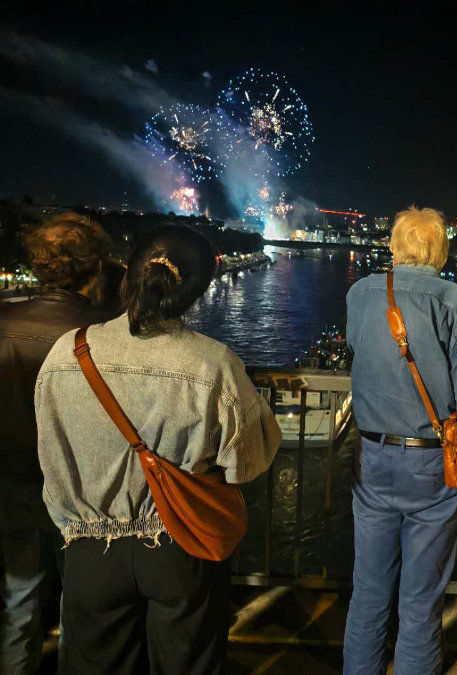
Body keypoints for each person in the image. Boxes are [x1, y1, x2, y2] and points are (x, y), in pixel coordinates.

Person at [34, 226, 282, 674]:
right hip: (181, 544)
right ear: (196, 291)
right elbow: (248, 462)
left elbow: (50, 453)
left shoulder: (67, 352)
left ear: (129, 274)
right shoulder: (213, 363)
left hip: (90, 549)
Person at [342, 206, 457, 675]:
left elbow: (360, 355)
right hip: (432, 467)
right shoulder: (452, 300)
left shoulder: (360, 293)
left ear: (395, 247)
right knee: (419, 604)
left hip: (372, 458)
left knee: (369, 594)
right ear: (440, 250)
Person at [0, 213, 118, 674]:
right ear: (95, 267)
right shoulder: (105, 334)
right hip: (84, 488)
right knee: (84, 608)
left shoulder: (4, 319)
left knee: (18, 600)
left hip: (13, 479)